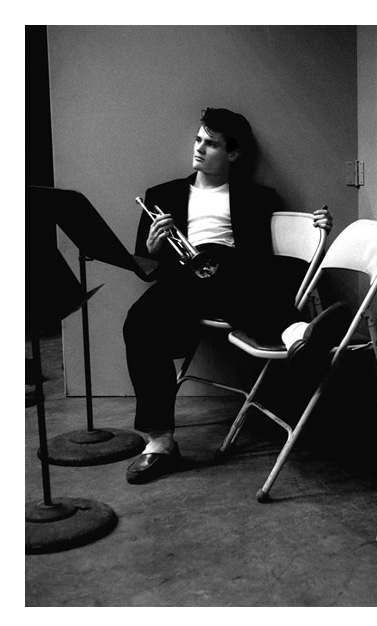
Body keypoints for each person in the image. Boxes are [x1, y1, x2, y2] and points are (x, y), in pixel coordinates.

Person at [123, 107, 350, 485]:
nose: (199, 149)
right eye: (199, 140)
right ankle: (160, 441)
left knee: (232, 271)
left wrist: (318, 228)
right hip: (183, 281)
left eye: (211, 144)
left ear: (233, 153)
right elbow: (146, 269)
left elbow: (272, 260)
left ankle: (298, 336)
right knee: (139, 321)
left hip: (237, 279)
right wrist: (152, 247)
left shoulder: (257, 197)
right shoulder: (161, 196)